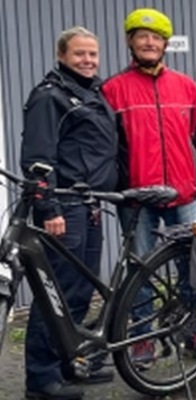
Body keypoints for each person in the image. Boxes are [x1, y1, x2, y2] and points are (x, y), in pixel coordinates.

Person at [101, 8, 196, 369]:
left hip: (182, 192)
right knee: (140, 270)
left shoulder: (187, 86)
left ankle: (194, 329)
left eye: (156, 38)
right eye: (142, 37)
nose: (149, 43)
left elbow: (192, 137)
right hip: (137, 196)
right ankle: (142, 336)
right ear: (129, 41)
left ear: (165, 44)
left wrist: (191, 181)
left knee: (193, 265)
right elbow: (107, 147)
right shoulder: (112, 89)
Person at [21, 26, 117, 400]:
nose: (87, 60)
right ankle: (41, 379)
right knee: (55, 294)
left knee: (78, 292)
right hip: (64, 209)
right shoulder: (50, 96)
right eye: (79, 54)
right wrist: (48, 208)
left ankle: (67, 364)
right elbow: (38, 159)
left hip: (89, 204)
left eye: (92, 54)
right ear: (62, 56)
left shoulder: (93, 93)